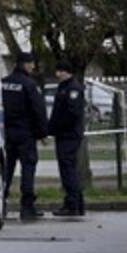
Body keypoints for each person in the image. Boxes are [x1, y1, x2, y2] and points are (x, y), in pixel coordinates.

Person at [1, 51, 49, 220]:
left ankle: (0, 204)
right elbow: (38, 110)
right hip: (25, 134)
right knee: (28, 168)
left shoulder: (3, 84)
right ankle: (27, 207)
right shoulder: (29, 85)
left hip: (6, 133)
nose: (33, 67)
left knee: (6, 170)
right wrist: (42, 133)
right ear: (24, 64)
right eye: (31, 64)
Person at [48, 58, 85, 216]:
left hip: (68, 135)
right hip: (64, 134)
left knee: (68, 169)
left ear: (65, 72)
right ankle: (76, 203)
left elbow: (72, 114)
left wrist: (56, 127)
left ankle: (72, 204)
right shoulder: (64, 87)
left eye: (59, 71)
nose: (57, 74)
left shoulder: (72, 89)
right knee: (68, 169)